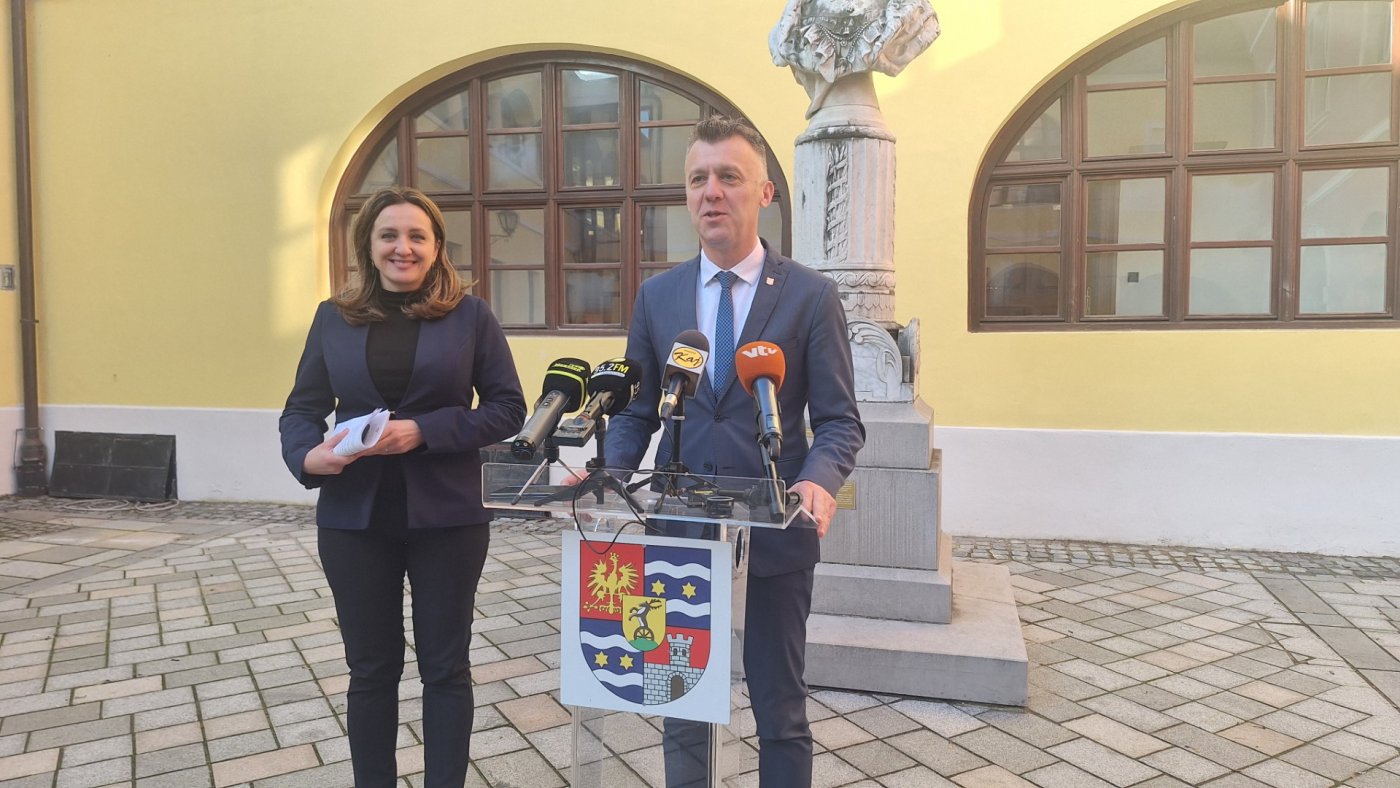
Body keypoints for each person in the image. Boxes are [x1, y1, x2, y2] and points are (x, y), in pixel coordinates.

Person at [605, 116, 865, 788]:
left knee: (779, 705)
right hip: (679, 528)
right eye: (698, 178)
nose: (711, 192)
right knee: (679, 698)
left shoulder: (811, 296)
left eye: (729, 177)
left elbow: (839, 421)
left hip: (776, 528)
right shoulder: (658, 296)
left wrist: (819, 480)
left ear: (765, 193)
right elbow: (637, 408)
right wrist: (608, 472)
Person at [279, 187, 525, 788]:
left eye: (417, 236)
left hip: (449, 519)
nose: (403, 248)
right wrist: (307, 455)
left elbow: (507, 409)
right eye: (389, 235)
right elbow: (302, 409)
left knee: (445, 669)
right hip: (354, 520)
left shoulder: (471, 316)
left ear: (437, 246)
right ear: (368, 244)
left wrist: (424, 431)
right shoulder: (332, 316)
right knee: (370, 671)